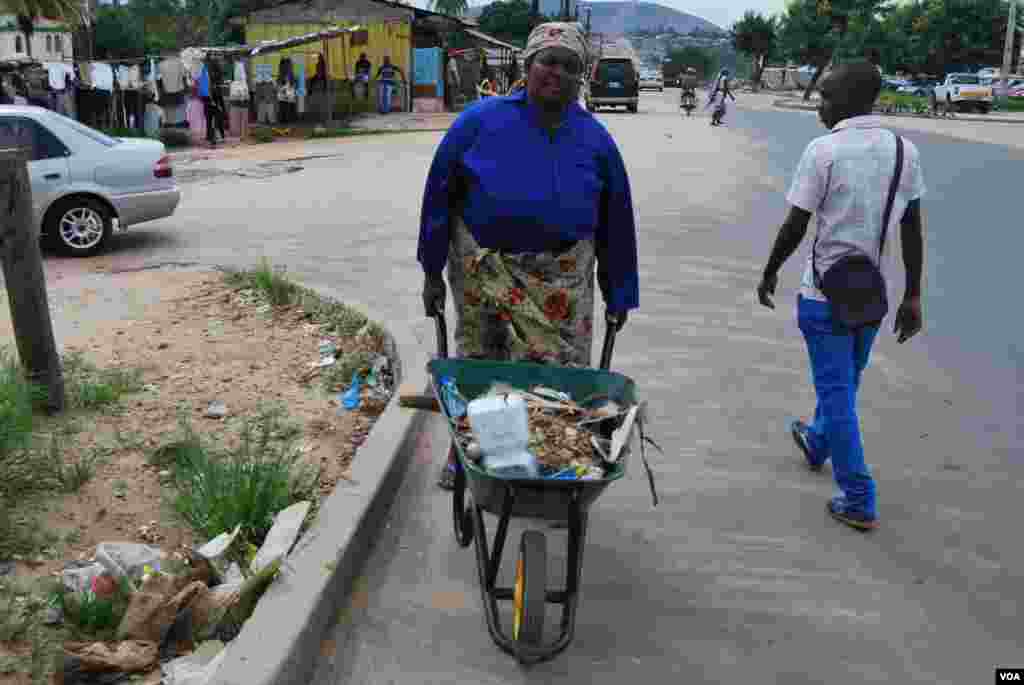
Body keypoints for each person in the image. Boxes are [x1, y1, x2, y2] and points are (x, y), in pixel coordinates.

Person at [418, 22, 639, 489]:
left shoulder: (596, 140)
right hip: (485, 275)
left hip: (561, 282)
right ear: (527, 65)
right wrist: (431, 270)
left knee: (554, 384)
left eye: (568, 65)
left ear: (582, 76)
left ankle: (547, 463)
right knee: (482, 371)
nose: (556, 73)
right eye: (547, 61)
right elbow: (439, 196)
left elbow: (616, 224)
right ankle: (470, 457)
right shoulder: (479, 122)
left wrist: (619, 292)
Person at [756, 62, 926, 531]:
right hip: (872, 295)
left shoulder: (824, 151)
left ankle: (858, 497)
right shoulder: (903, 151)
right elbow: (912, 227)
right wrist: (912, 294)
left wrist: (770, 271)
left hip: (823, 295)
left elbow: (796, 224)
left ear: (852, 99)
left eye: (827, 97)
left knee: (838, 396)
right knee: (844, 385)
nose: (820, 105)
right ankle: (816, 441)